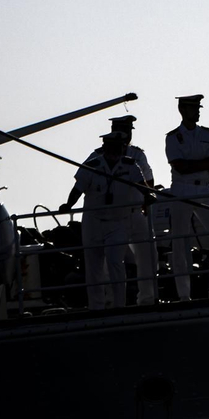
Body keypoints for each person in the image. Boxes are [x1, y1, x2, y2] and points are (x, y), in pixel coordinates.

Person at [60, 127, 148, 309]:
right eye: (111, 147)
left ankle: (119, 305)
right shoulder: (92, 166)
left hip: (117, 223)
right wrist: (68, 205)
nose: (115, 151)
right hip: (93, 222)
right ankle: (96, 307)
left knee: (115, 262)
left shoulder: (130, 166)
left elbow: (142, 186)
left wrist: (148, 199)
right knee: (94, 267)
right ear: (105, 147)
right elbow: (78, 189)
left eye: (118, 147)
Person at [165, 94, 209, 301]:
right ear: (182, 110)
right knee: (180, 243)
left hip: (204, 189)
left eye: (198, 108)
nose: (198, 111)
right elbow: (179, 166)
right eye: (194, 108)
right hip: (181, 191)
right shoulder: (173, 137)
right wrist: (199, 165)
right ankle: (184, 295)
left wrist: (192, 166)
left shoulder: (208, 135)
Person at [109, 113, 157, 305]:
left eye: (128, 131)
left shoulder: (137, 155)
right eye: (123, 130)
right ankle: (113, 302)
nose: (126, 134)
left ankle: (147, 298)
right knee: (112, 261)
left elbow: (149, 182)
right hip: (114, 216)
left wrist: (147, 202)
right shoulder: (100, 156)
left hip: (137, 212)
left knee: (148, 256)